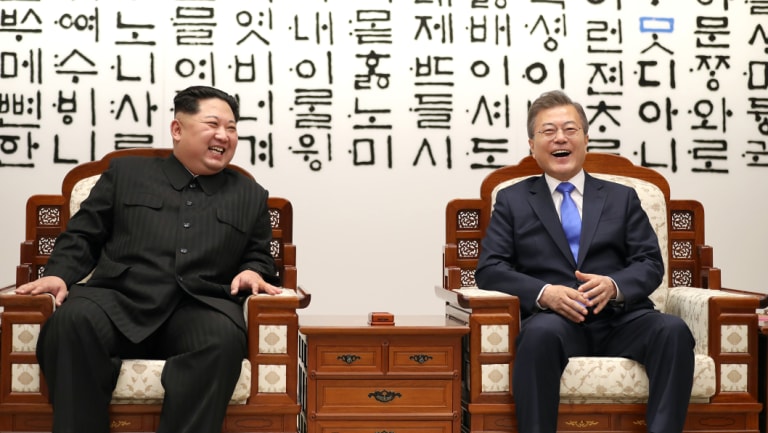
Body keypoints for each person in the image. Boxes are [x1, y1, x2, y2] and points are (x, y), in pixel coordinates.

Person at [15, 85, 282, 433]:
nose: (224, 135)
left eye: (232, 128)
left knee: (221, 340)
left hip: (199, 307)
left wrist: (252, 271)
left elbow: (260, 256)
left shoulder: (250, 194)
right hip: (119, 299)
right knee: (71, 323)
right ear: (177, 129)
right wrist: (59, 275)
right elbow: (84, 235)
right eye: (213, 124)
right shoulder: (126, 174)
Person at [475, 90, 695, 433]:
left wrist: (614, 285)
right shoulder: (512, 200)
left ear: (586, 140)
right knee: (537, 337)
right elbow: (490, 269)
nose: (560, 138)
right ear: (532, 146)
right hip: (555, 322)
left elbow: (650, 262)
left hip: (622, 319)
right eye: (548, 131)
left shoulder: (621, 198)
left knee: (673, 330)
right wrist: (545, 292)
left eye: (570, 129)